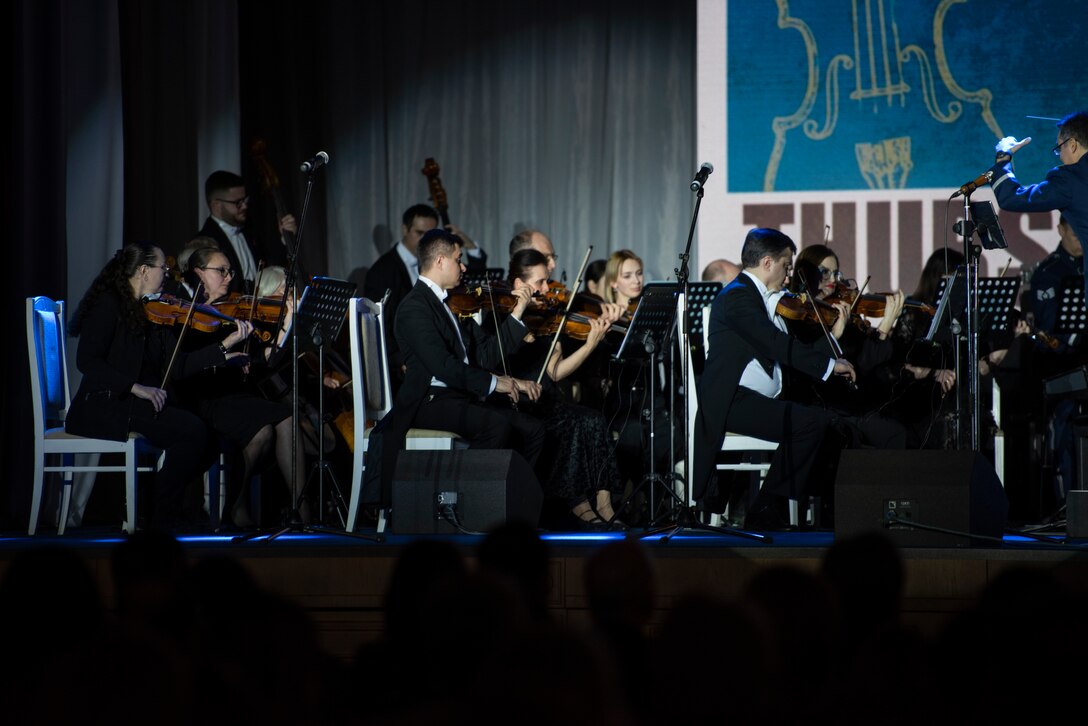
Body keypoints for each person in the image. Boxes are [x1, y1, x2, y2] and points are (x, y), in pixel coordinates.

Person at [365, 229, 547, 506]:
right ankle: (463, 503)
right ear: (440, 261)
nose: (464, 267)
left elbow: (485, 355)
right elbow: (443, 367)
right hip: (428, 401)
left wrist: (517, 314)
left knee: (533, 430)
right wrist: (496, 384)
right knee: (496, 425)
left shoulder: (452, 303)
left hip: (458, 395)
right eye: (458, 259)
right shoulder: (414, 307)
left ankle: (513, 507)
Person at [66, 241, 239, 529]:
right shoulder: (109, 305)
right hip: (103, 404)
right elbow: (87, 361)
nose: (168, 275)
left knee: (208, 439)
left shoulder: (155, 311)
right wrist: (135, 387)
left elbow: (179, 366)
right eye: (164, 268)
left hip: (133, 404)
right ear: (144, 271)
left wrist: (224, 348)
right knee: (193, 433)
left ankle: (149, 503)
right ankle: (162, 514)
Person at [691, 228, 856, 530]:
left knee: (828, 422)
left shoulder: (763, 298)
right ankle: (766, 508)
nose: (789, 273)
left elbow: (789, 347)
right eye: (787, 265)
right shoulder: (738, 297)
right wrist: (830, 366)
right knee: (811, 423)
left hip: (754, 400)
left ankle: (792, 510)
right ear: (768, 263)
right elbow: (775, 344)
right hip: (732, 402)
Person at [174, 246, 304, 528]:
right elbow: (184, 368)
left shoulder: (233, 312)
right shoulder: (186, 314)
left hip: (234, 396)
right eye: (220, 271)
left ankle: (299, 508)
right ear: (199, 273)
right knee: (262, 430)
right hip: (203, 399)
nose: (229, 277)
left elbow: (263, 362)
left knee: (286, 417)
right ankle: (235, 505)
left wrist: (288, 324)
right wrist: (228, 346)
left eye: (230, 271)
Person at [501, 248, 627, 528]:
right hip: (521, 404)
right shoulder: (503, 319)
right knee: (574, 423)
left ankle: (605, 505)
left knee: (593, 418)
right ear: (520, 285)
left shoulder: (547, 318)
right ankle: (579, 504)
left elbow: (554, 372)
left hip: (547, 399)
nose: (547, 288)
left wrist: (590, 344)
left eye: (547, 281)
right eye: (540, 282)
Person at [365, 204, 486, 392]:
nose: (425, 240)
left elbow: (471, 278)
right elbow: (378, 325)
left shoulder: (445, 266)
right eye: (419, 233)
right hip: (406, 369)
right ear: (404, 229)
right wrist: (401, 360)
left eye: (430, 234)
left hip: (445, 360)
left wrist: (468, 244)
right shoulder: (383, 271)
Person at [989, 111, 1088, 297]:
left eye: (1060, 148)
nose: (1059, 156)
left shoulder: (1071, 179)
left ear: (1073, 144)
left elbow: (1012, 198)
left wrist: (1003, 159)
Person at [198, 170, 297, 295]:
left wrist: (285, 237)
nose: (244, 206)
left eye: (245, 200)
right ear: (216, 205)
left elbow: (270, 270)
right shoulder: (204, 242)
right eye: (238, 203)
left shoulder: (250, 230)